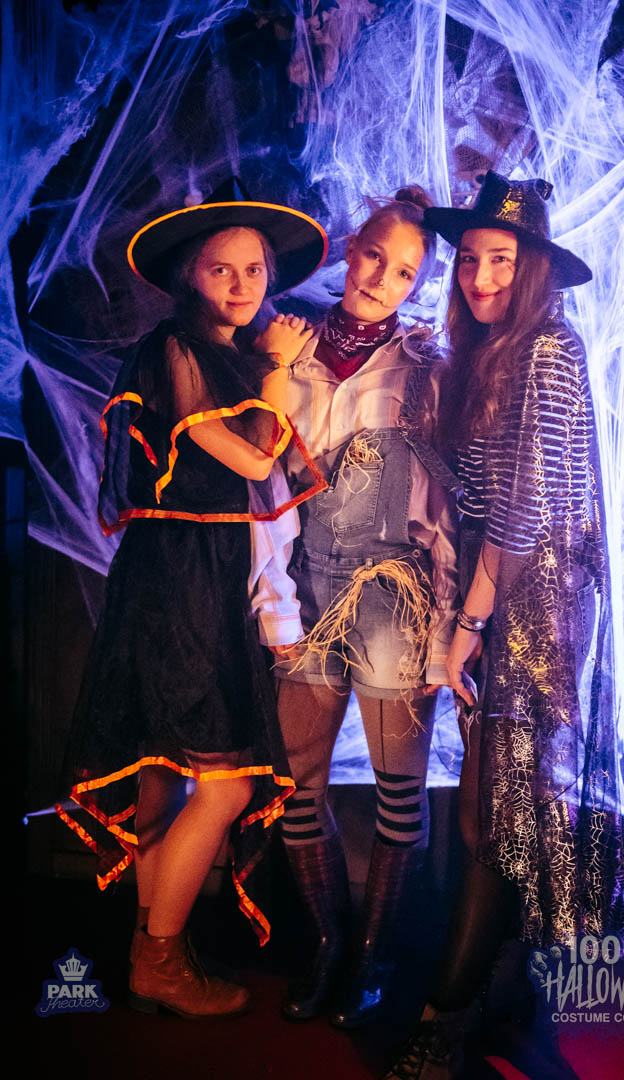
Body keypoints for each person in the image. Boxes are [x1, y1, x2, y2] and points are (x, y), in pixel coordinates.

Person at [56, 186, 327, 1018]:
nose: (242, 285)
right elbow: (251, 462)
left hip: (195, 577)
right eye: (221, 270)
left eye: (254, 270)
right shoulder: (176, 348)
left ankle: (154, 945)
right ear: (188, 276)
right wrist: (278, 368)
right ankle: (158, 958)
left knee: (167, 779)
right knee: (223, 783)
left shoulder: (226, 355)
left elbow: (260, 505)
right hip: (178, 583)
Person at [383, 170, 624, 1078]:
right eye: (470, 261)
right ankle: (498, 994)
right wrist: (427, 405)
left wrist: (468, 624)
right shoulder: (486, 354)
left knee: (497, 814)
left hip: (538, 602)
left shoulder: (550, 349)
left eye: (500, 261)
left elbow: (525, 511)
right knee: (494, 813)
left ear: (532, 271)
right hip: (503, 588)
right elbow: (480, 494)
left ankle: (445, 1017)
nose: (480, 278)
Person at [252, 186, 460, 1027]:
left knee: (396, 791)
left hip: (393, 603)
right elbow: (262, 493)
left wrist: (443, 639)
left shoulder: (425, 369)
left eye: (403, 271)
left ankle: (373, 956)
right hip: (305, 588)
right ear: (349, 248)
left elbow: (443, 519)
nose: (381, 277)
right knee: (296, 785)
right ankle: (328, 943)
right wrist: (273, 607)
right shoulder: (285, 350)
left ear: (417, 284)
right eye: (374, 255)